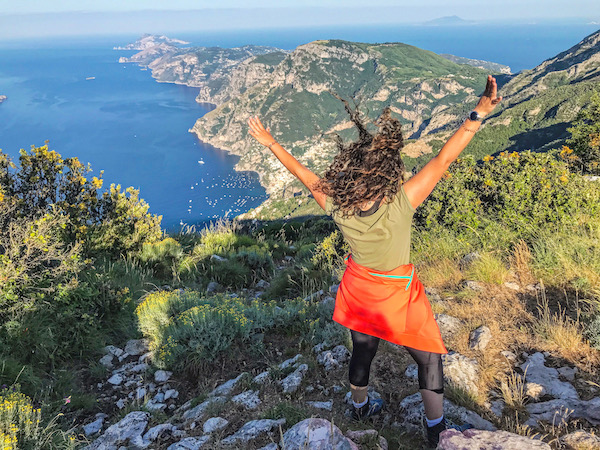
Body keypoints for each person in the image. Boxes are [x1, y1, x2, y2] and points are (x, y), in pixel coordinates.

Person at [248, 75, 502, 447]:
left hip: (358, 289)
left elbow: (303, 175)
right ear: (385, 173)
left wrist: (271, 142)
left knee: (363, 349)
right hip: (397, 293)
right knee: (429, 358)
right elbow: (444, 157)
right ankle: (435, 430)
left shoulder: (337, 205)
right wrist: (476, 115)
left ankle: (360, 405)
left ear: (348, 176)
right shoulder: (401, 203)